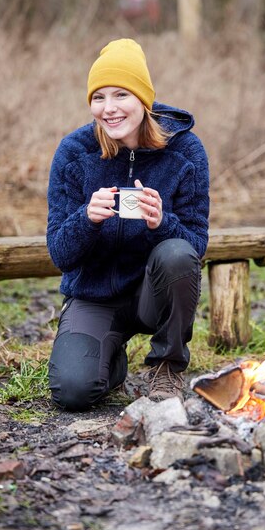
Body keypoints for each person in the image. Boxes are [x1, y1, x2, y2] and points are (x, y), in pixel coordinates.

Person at [46, 38, 210, 411]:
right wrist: (86, 218)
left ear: (144, 100)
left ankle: (167, 365)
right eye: (99, 97)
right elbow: (59, 253)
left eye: (122, 94)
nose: (110, 108)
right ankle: (110, 360)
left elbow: (195, 246)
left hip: (153, 293)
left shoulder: (186, 152)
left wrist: (161, 221)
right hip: (94, 295)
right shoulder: (74, 153)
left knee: (176, 253)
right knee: (72, 392)